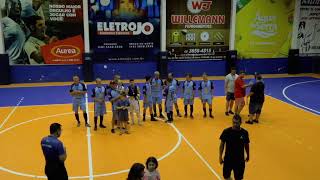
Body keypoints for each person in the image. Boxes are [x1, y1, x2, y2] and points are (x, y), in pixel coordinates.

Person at [219, 115, 250, 180]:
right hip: (228, 159)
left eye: (237, 123)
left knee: (238, 178)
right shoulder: (226, 132)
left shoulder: (244, 133)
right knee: (226, 176)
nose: (235, 124)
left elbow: (246, 145)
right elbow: (222, 145)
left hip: (240, 160)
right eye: (234, 122)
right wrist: (220, 157)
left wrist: (248, 155)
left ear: (241, 123)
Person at [2, 0, 30, 65]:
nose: (17, 6)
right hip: (11, 64)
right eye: (14, 4)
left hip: (23, 64)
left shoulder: (22, 23)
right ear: (8, 7)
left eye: (19, 4)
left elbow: (27, 38)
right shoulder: (4, 21)